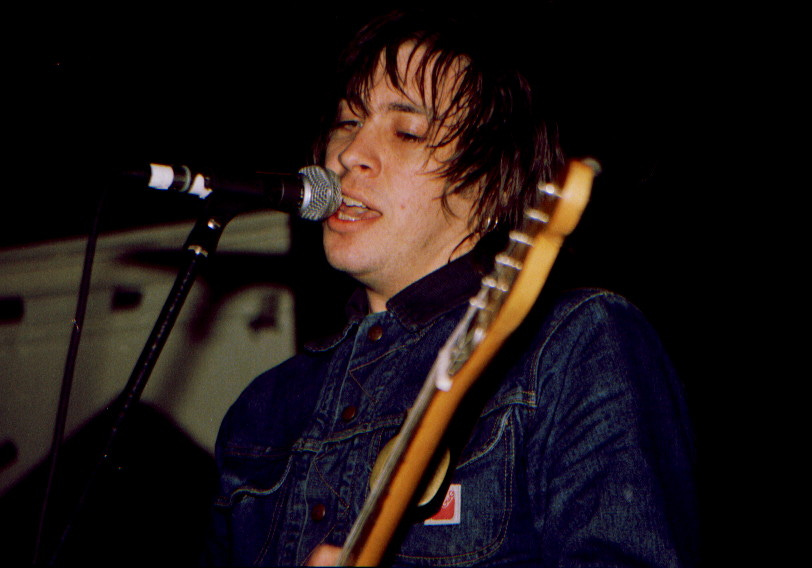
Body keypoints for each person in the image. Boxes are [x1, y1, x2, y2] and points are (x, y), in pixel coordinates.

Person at [203, 9, 698, 567]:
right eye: (346, 122)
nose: (348, 155)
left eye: (406, 131)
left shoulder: (574, 344)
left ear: (492, 186)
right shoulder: (264, 410)